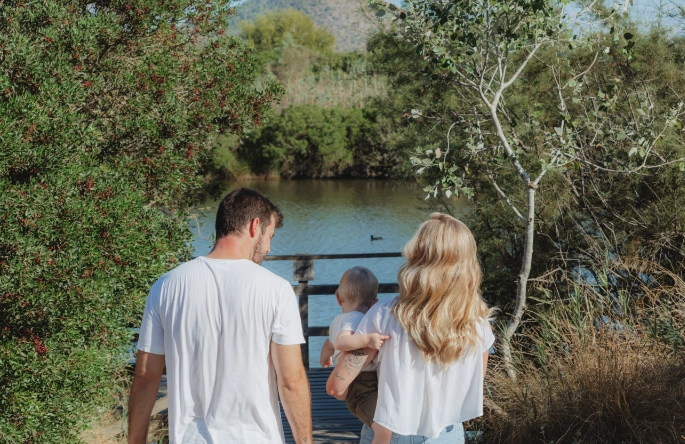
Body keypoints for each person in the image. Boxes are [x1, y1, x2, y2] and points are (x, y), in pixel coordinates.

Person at [128, 188, 312, 444]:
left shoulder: (166, 286)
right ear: (254, 226)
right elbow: (291, 381)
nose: (268, 248)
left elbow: (146, 377)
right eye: (269, 236)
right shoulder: (276, 289)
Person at [327, 213, 494, 444]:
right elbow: (474, 381)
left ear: (415, 259)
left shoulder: (384, 315)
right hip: (448, 434)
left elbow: (337, 386)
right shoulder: (478, 322)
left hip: (393, 433)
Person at [319, 267, 391, 443]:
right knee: (383, 428)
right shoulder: (356, 319)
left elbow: (329, 344)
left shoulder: (337, 321)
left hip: (359, 383)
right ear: (374, 303)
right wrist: (367, 340)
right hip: (362, 386)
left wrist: (324, 359)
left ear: (337, 298)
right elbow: (340, 343)